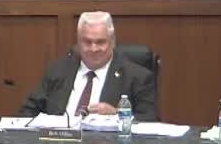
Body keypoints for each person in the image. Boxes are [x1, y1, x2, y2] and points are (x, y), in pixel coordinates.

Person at [19, 11, 158, 122]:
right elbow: (27, 112)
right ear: (78, 41)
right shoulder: (58, 70)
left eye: (100, 42)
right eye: (87, 42)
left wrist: (117, 115)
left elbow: (150, 122)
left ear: (112, 41)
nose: (93, 49)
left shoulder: (137, 77)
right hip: (58, 143)